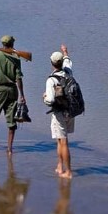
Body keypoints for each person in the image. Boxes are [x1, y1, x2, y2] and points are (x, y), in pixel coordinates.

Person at [43, 43, 76, 178]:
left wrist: (44, 97)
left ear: (52, 64)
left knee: (63, 141)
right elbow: (68, 62)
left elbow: (50, 100)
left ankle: (68, 172)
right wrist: (65, 51)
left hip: (59, 112)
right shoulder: (68, 72)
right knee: (60, 139)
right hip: (71, 110)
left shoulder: (51, 80)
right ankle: (59, 166)